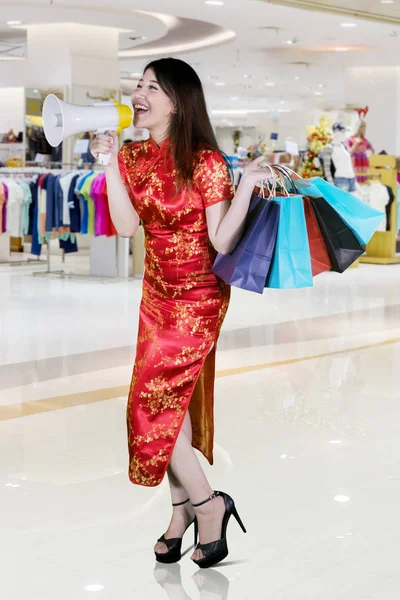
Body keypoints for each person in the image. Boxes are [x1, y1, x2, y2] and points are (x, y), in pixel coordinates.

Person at [90, 57, 274, 569]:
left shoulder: (207, 162)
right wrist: (107, 163)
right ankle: (181, 514)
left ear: (178, 100)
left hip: (197, 298)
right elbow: (127, 228)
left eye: (153, 86)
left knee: (149, 406)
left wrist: (244, 187)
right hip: (155, 294)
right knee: (173, 410)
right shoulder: (130, 157)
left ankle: (210, 505)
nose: (139, 93)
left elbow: (220, 239)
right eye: (139, 84)